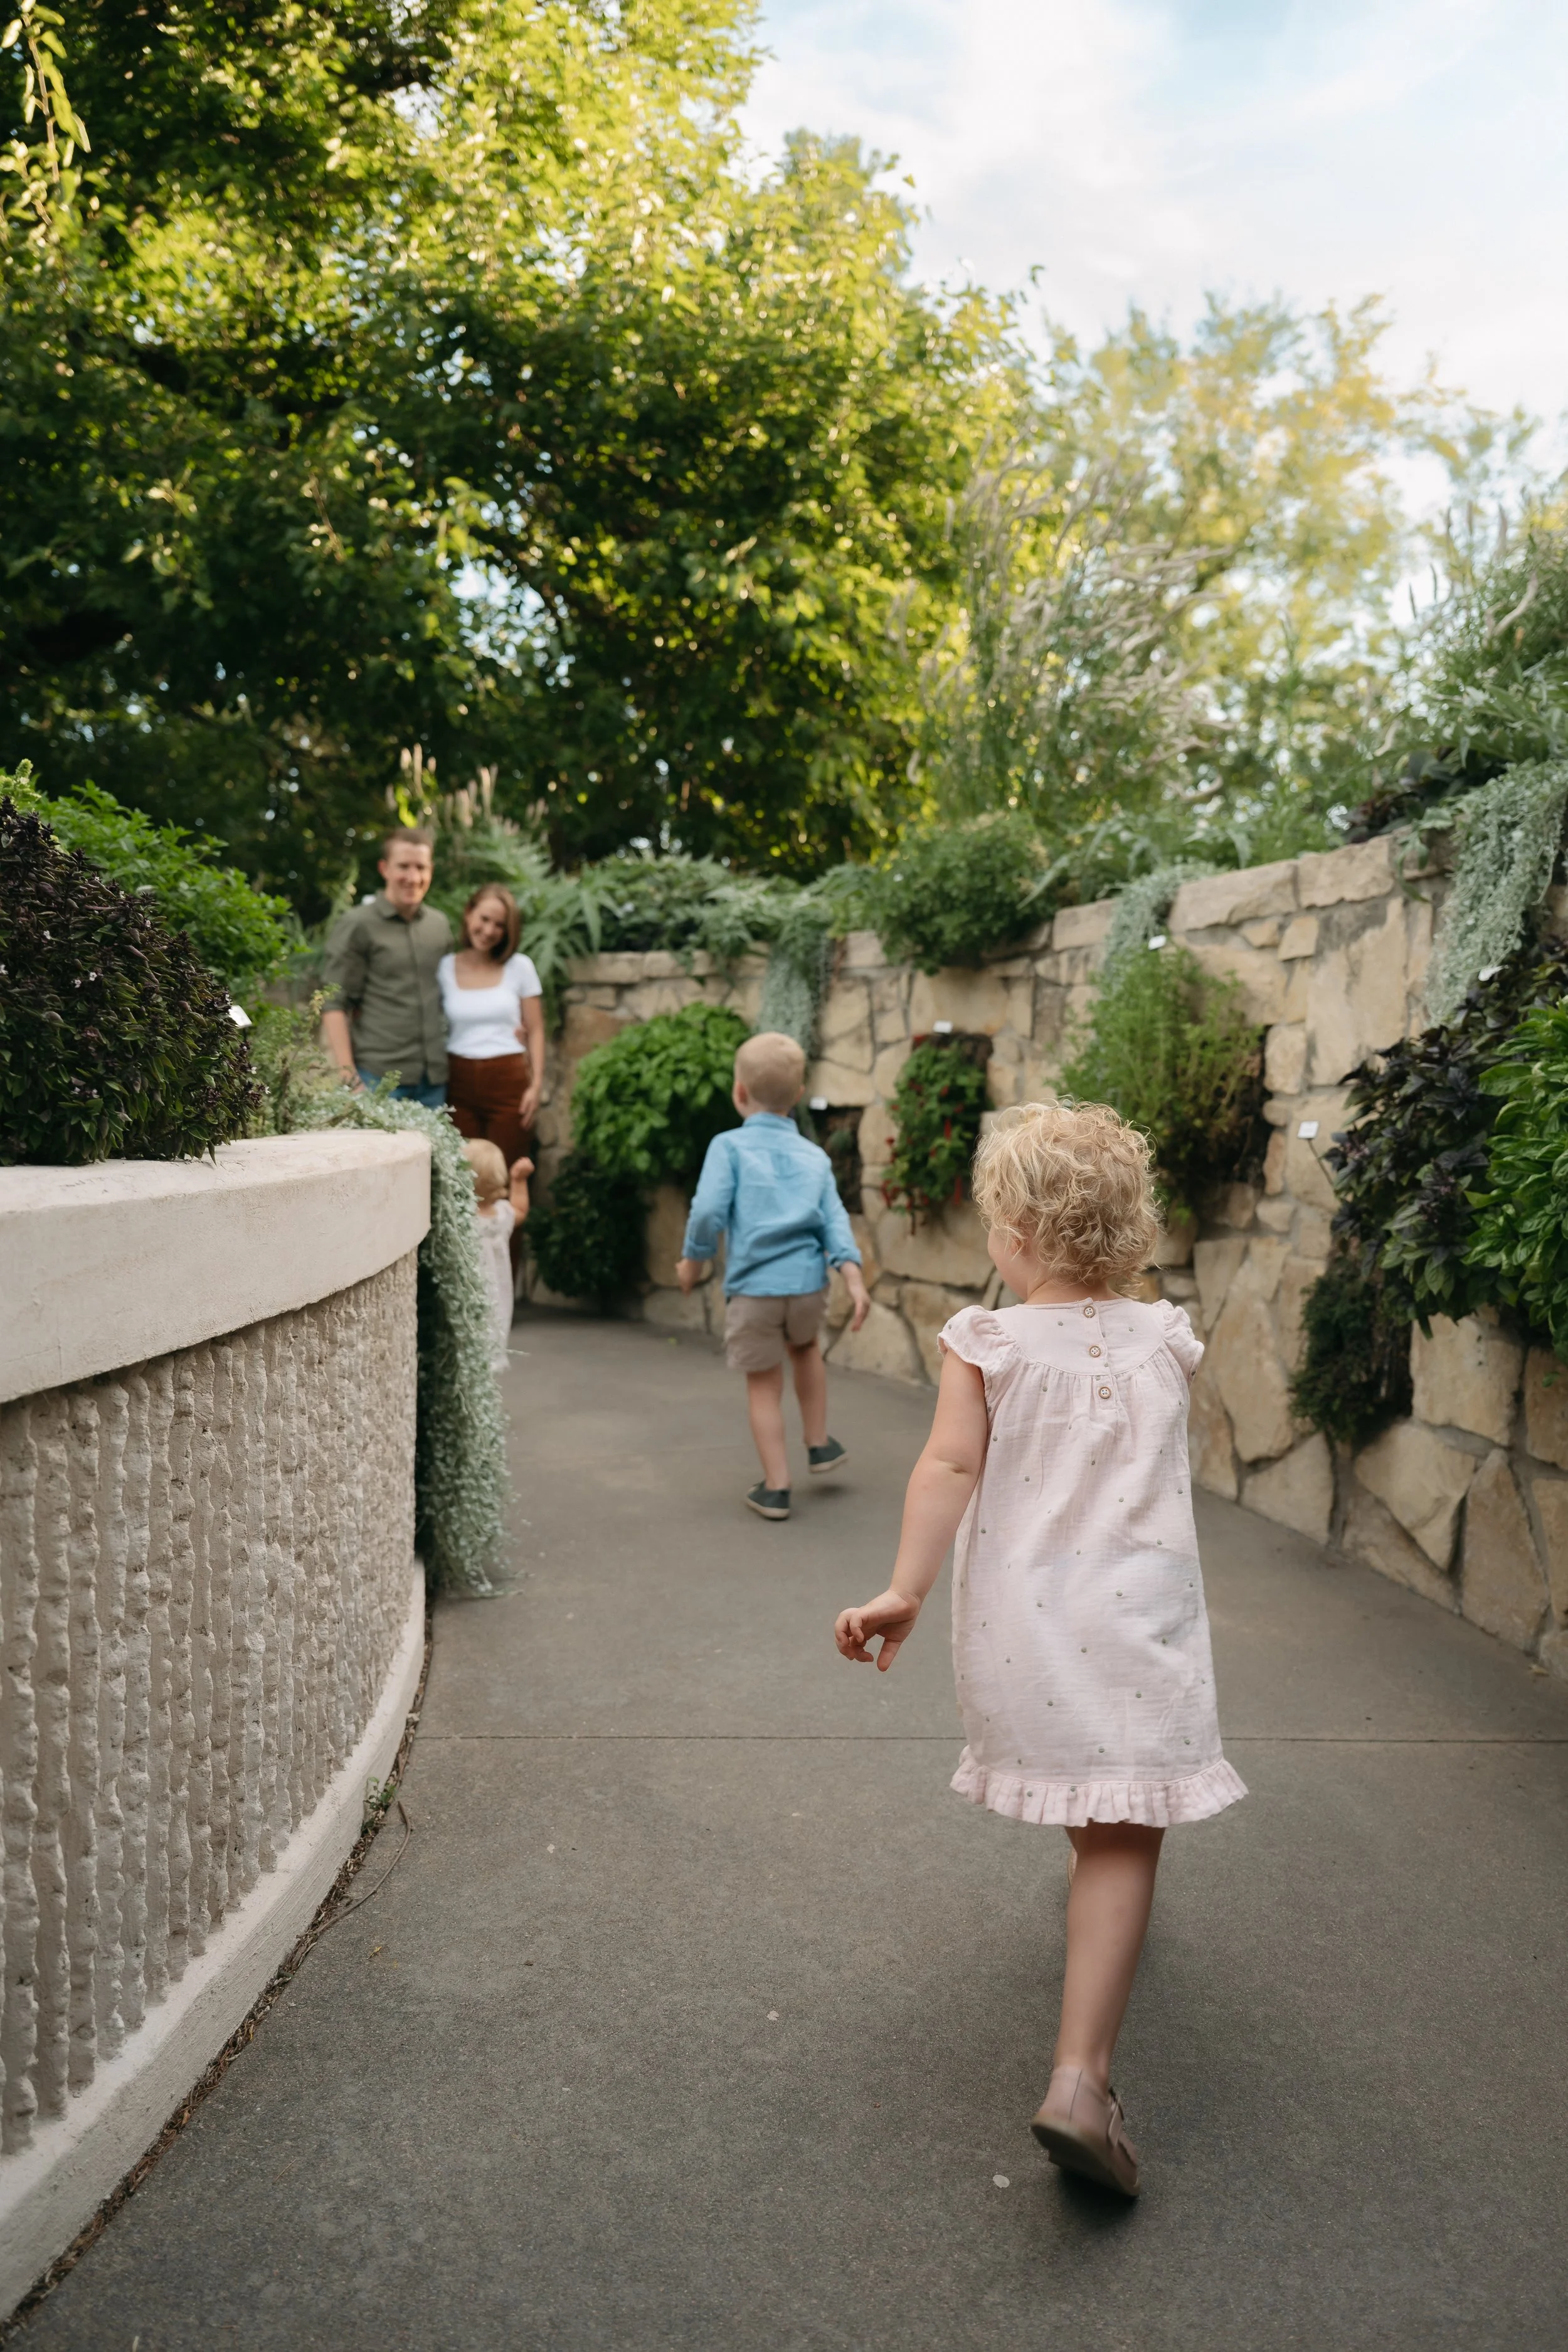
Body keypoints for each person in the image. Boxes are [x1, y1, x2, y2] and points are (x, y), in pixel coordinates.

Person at [832, 1100, 1246, 2198]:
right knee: (1123, 1830)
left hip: (1026, 1628)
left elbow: (949, 1472)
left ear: (1014, 1235)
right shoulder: (1169, 1337)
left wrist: (904, 1588)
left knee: (1095, 1808)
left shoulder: (989, 1343)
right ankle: (1080, 2079)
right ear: (1130, 1228)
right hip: (1141, 1619)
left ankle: (1092, 1974)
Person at [675, 1031, 872, 1522]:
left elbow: (706, 1213)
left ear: (739, 1093)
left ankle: (777, 1486)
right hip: (808, 1286)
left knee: (764, 1384)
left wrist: (693, 1262)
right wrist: (853, 1278)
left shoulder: (729, 1147)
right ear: (799, 1097)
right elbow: (834, 1220)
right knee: (805, 1350)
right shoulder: (815, 1156)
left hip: (754, 1290)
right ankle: (819, 1441)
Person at [322, 827, 452, 1106]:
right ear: (385, 868)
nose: (413, 877)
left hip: (434, 1081)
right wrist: (349, 1076)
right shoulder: (358, 925)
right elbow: (334, 1003)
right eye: (403, 866)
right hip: (377, 1079)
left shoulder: (439, 926)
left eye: (421, 867)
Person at [440, 884, 545, 1171]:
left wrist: (536, 1086)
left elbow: (535, 1030)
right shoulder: (444, 968)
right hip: (457, 1081)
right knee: (463, 1176)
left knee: (507, 1173)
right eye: (484, 919)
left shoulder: (520, 967)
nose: (489, 931)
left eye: (500, 925)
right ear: (469, 914)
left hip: (508, 1080)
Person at [463, 1138, 534, 1374]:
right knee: (491, 1332)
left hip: (470, 1295)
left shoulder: (464, 1220)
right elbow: (521, 1209)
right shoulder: (502, 1216)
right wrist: (519, 1180)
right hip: (497, 1296)